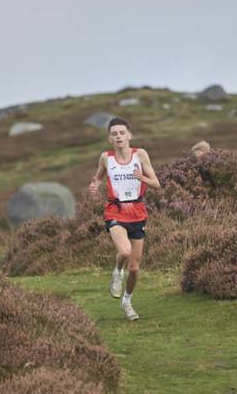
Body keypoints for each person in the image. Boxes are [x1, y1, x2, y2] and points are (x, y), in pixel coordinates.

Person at [89, 117, 160, 321]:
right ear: (110, 138)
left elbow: (156, 183)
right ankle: (117, 272)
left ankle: (127, 302)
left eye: (122, 133)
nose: (118, 136)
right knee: (125, 251)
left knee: (136, 269)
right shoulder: (106, 157)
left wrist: (142, 178)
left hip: (137, 214)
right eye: (114, 134)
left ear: (129, 135)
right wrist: (95, 186)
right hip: (115, 211)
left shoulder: (140, 154)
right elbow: (98, 177)